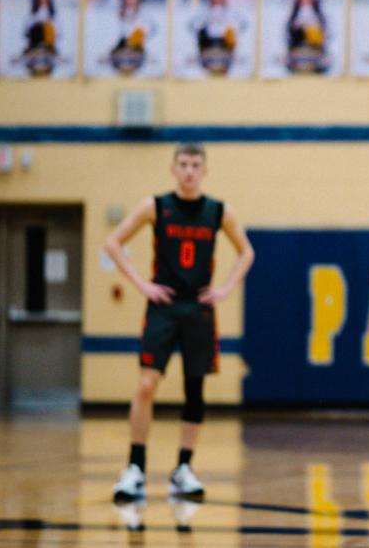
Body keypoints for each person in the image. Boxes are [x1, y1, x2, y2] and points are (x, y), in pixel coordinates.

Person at [106, 143, 254, 503]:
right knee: (147, 384)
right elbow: (113, 242)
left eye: (195, 165)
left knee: (194, 389)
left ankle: (184, 468)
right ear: (173, 169)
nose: (189, 170)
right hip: (163, 305)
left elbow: (247, 252)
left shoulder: (218, 211)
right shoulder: (156, 206)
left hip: (199, 308)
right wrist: (142, 285)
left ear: (205, 171)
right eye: (183, 164)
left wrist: (224, 289)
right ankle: (135, 467)